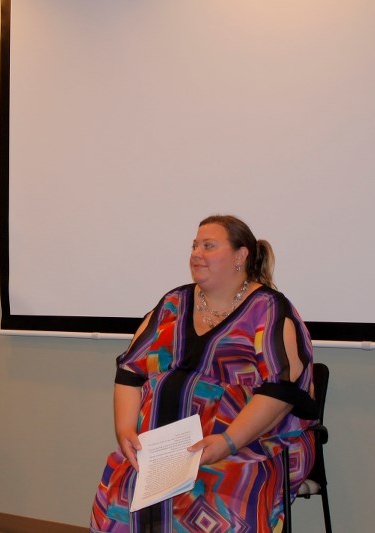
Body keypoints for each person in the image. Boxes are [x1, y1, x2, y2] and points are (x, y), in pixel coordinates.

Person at [90, 215, 317, 532]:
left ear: (241, 256)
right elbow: (130, 371)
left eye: (209, 246)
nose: (197, 253)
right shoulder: (173, 303)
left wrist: (227, 442)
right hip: (162, 450)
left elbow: (280, 393)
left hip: (248, 450)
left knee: (215, 501)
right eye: (195, 246)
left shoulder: (268, 309)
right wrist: (126, 429)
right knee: (121, 493)